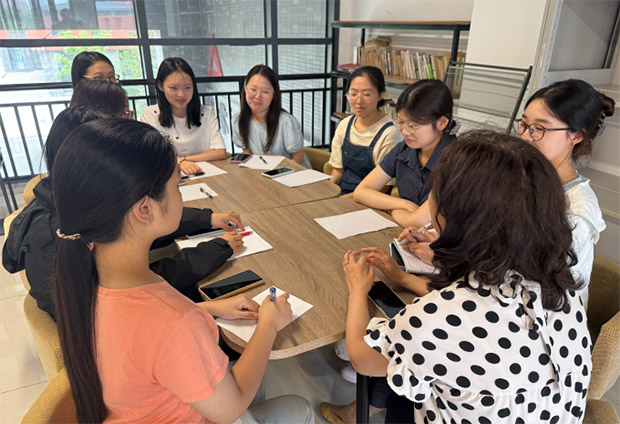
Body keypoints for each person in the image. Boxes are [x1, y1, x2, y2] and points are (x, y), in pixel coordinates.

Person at [51, 118, 314, 423]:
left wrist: (206, 309)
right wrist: (269, 324)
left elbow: (139, 336)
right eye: (176, 185)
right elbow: (229, 408)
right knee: (301, 407)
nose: (180, 195)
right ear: (145, 209)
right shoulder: (173, 322)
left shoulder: (83, 278)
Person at [340, 130, 591, 423]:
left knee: (402, 391)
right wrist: (403, 278)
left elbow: (363, 359)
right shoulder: (560, 288)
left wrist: (358, 291)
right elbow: (478, 310)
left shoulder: (435, 320)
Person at [2, 106, 244, 320]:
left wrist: (207, 219)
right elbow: (136, 289)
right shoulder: (70, 236)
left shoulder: (72, 205)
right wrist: (203, 300)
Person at [400, 79, 614, 307]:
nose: (526, 136)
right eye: (524, 124)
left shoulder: (577, 212)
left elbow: (523, 289)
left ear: (576, 136)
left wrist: (438, 260)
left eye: (539, 129)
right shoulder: (520, 179)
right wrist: (446, 243)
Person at [352, 79, 456, 225]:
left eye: (413, 126)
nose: (405, 132)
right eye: (401, 122)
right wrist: (404, 204)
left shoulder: (457, 161)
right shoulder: (404, 149)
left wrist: (392, 210)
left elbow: (417, 221)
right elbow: (361, 192)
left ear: (442, 123)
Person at [141, 57, 227, 176]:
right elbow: (151, 156)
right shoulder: (150, 115)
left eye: (187, 87)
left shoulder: (206, 112)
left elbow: (220, 152)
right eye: (173, 88)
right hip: (169, 178)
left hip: (206, 175)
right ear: (160, 86)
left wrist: (183, 160)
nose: (181, 94)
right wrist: (179, 162)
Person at [328, 66, 402, 195]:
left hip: (370, 198)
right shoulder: (345, 124)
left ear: (380, 95)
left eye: (367, 94)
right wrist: (327, 193)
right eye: (353, 94)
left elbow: (384, 187)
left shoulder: (390, 134)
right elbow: (338, 170)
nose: (359, 100)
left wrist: (344, 199)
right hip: (343, 192)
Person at [232, 65, 311, 168]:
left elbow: (298, 157)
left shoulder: (286, 122)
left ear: (274, 94)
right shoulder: (238, 120)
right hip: (264, 172)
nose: (258, 96)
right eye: (253, 89)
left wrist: (277, 173)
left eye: (265, 92)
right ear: (245, 88)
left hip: (292, 172)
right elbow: (247, 152)